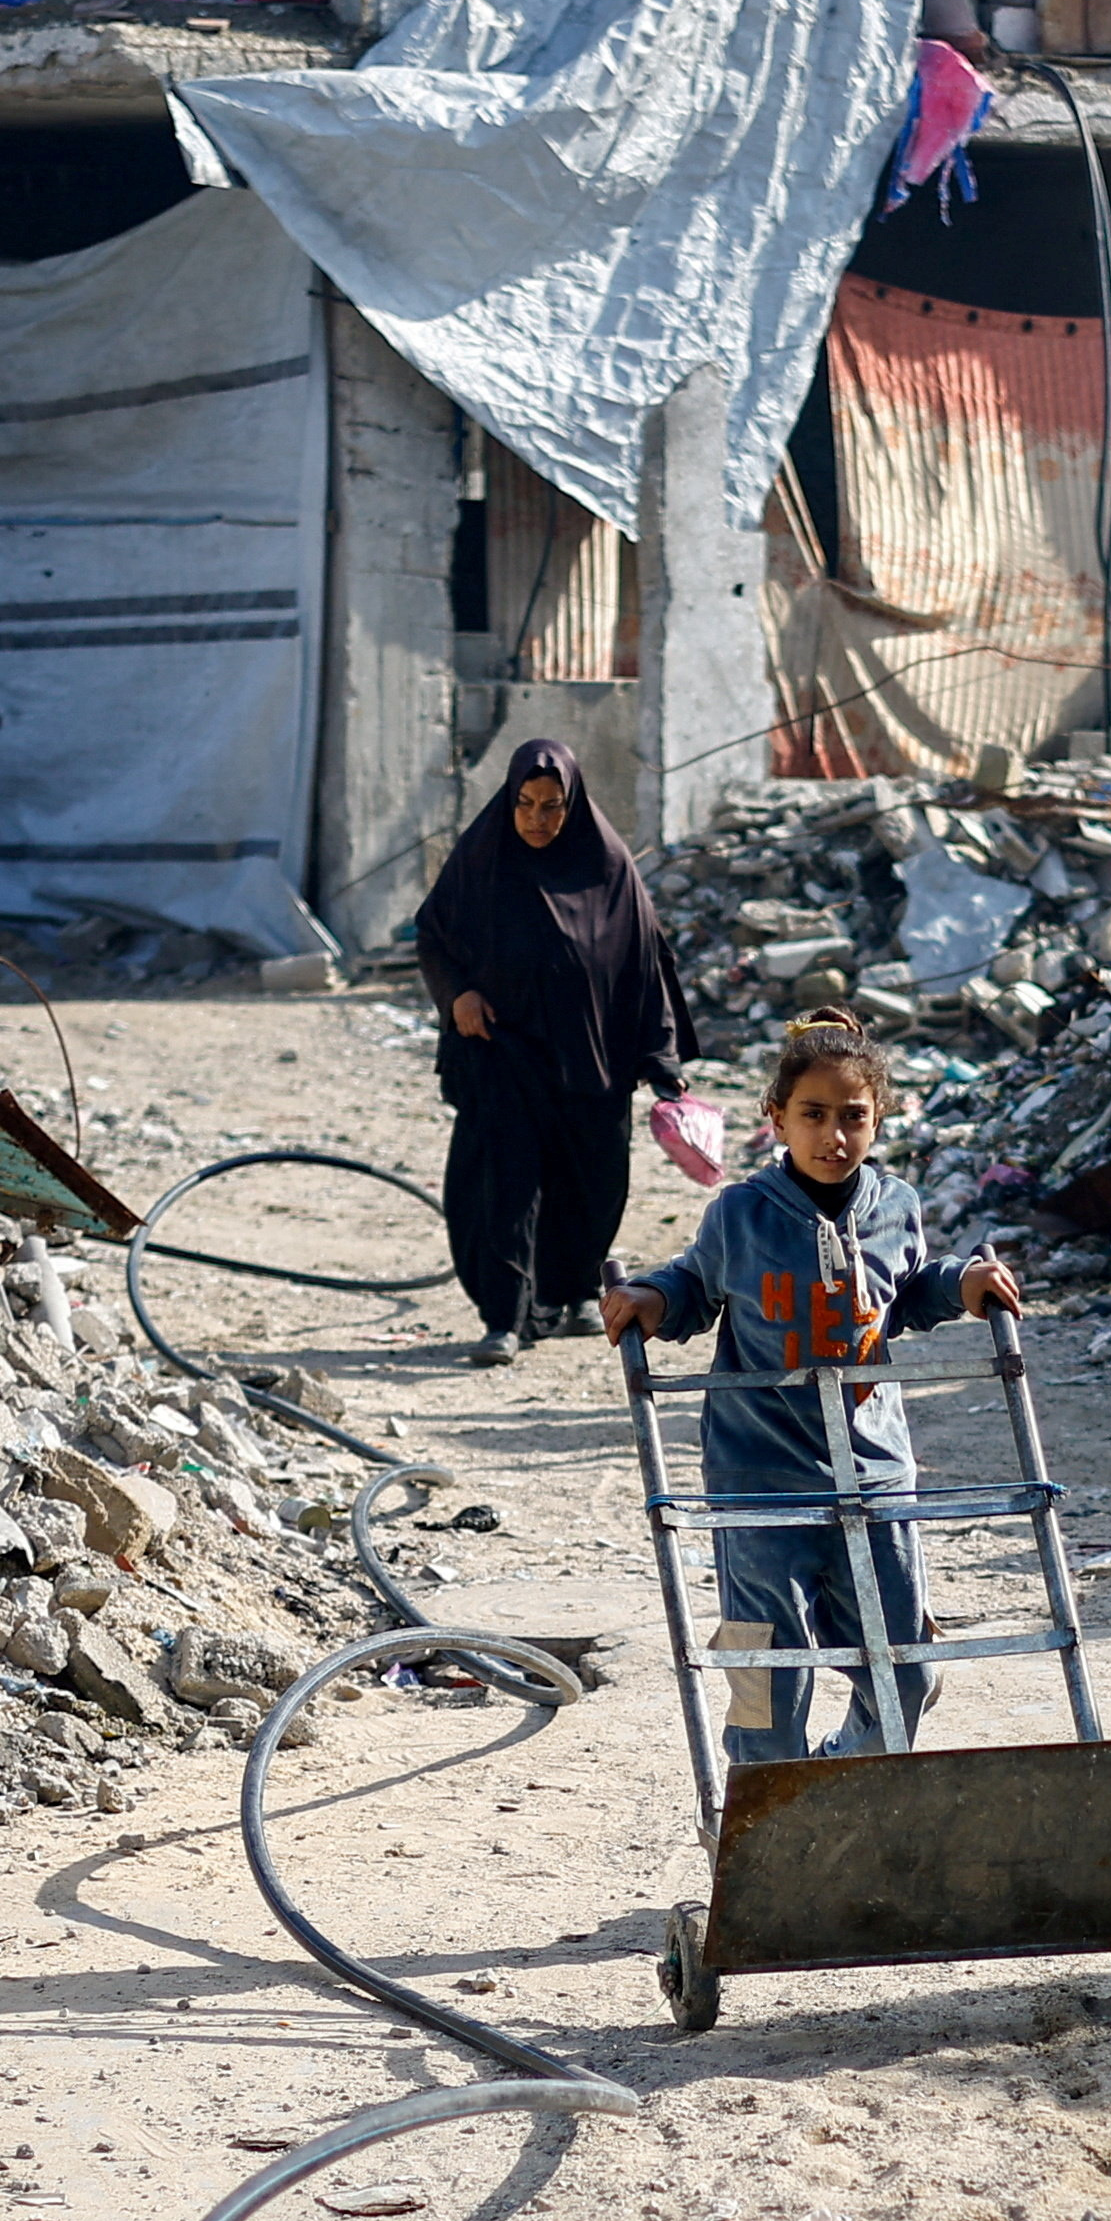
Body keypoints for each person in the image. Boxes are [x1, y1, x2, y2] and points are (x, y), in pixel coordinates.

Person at [598, 1013, 1020, 1771]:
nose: (834, 1137)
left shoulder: (895, 1205)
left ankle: (845, 1777)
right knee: (765, 1665)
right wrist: (651, 1303)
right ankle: (764, 1814)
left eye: (852, 1117)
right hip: (760, 1474)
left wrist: (965, 1284)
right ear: (778, 1119)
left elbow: (909, 1291)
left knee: (906, 1669)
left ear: (878, 1117)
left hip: (874, 1468)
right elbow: (694, 1284)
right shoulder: (741, 1212)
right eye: (813, 1116)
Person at [415, 740, 684, 1367]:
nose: (538, 819)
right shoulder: (482, 862)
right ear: (509, 801)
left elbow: (646, 962)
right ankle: (504, 1319)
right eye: (526, 804)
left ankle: (571, 1294)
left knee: (590, 1184)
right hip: (501, 1052)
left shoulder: (608, 867)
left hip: (593, 1063)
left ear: (574, 804)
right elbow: (433, 937)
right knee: (501, 1186)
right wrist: (457, 995)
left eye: (553, 806)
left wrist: (659, 1053)